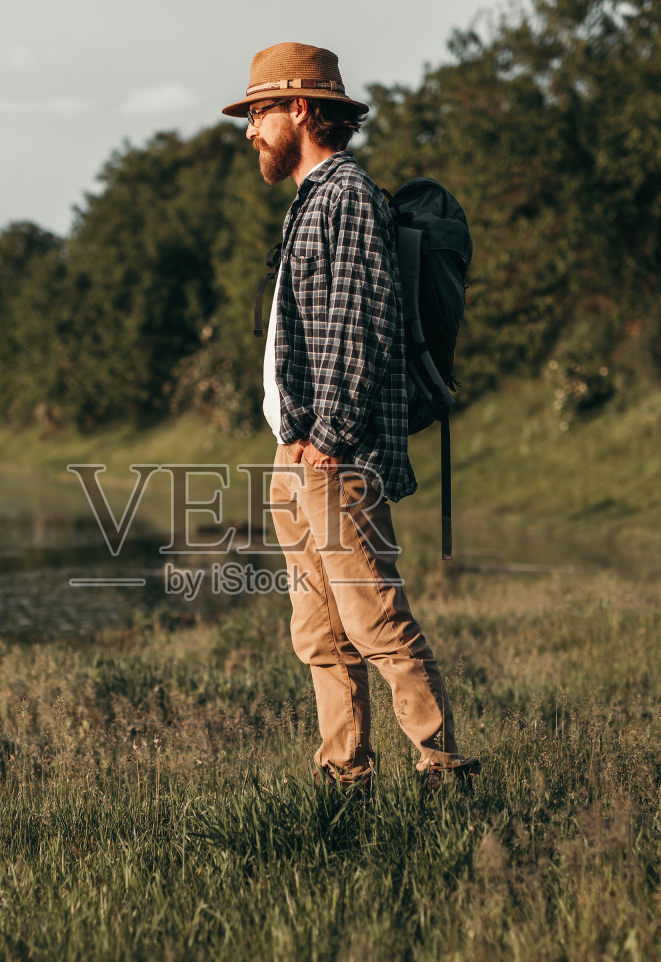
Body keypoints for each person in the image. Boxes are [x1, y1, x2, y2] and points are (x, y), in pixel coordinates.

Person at [222, 42, 480, 790]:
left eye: (258, 112)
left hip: (336, 456)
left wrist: (328, 439)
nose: (249, 131)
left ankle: (443, 771)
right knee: (319, 635)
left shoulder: (348, 196)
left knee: (374, 622)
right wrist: (295, 443)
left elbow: (360, 325)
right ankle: (346, 778)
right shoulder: (310, 199)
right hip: (298, 452)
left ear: (301, 109)